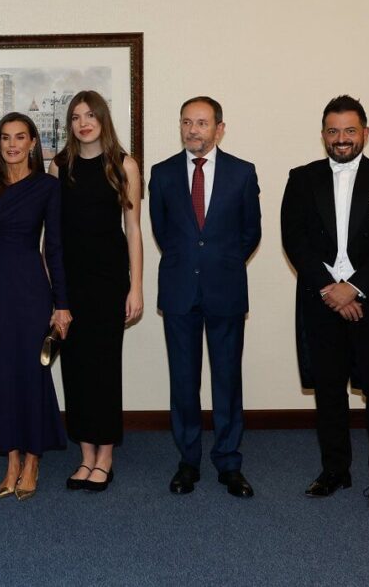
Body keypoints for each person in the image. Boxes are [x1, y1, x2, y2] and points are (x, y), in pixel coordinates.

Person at [281, 95, 369, 510]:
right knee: (329, 393)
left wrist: (353, 287)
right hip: (321, 301)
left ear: (365, 134)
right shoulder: (301, 178)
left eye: (350, 130)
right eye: (333, 131)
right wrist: (330, 289)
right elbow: (294, 239)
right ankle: (335, 470)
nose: (341, 139)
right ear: (323, 135)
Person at [148, 96, 261, 498]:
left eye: (202, 123)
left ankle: (229, 462)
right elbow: (164, 232)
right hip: (179, 291)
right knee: (183, 381)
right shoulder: (161, 174)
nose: (193, 130)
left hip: (226, 290)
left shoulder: (242, 173)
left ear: (219, 128)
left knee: (228, 380)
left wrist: (221, 263)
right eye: (186, 122)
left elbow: (251, 232)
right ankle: (188, 462)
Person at [0, 113, 71, 501]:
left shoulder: (47, 186)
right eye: (5, 138)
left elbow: (54, 247)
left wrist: (62, 303)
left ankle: (32, 459)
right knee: (0, 371)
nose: (12, 144)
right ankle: (10, 459)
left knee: (32, 371)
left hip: (31, 288)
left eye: (20, 137)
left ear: (32, 143)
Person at [48, 91, 143, 492]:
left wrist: (136, 287)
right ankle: (85, 455)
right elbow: (50, 235)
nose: (83, 122)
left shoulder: (124, 164)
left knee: (104, 370)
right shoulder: (58, 166)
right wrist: (55, 294)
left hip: (109, 282)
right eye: (75, 117)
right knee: (74, 369)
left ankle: (105, 457)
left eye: (90, 115)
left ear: (103, 118)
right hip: (71, 282)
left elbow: (134, 229)